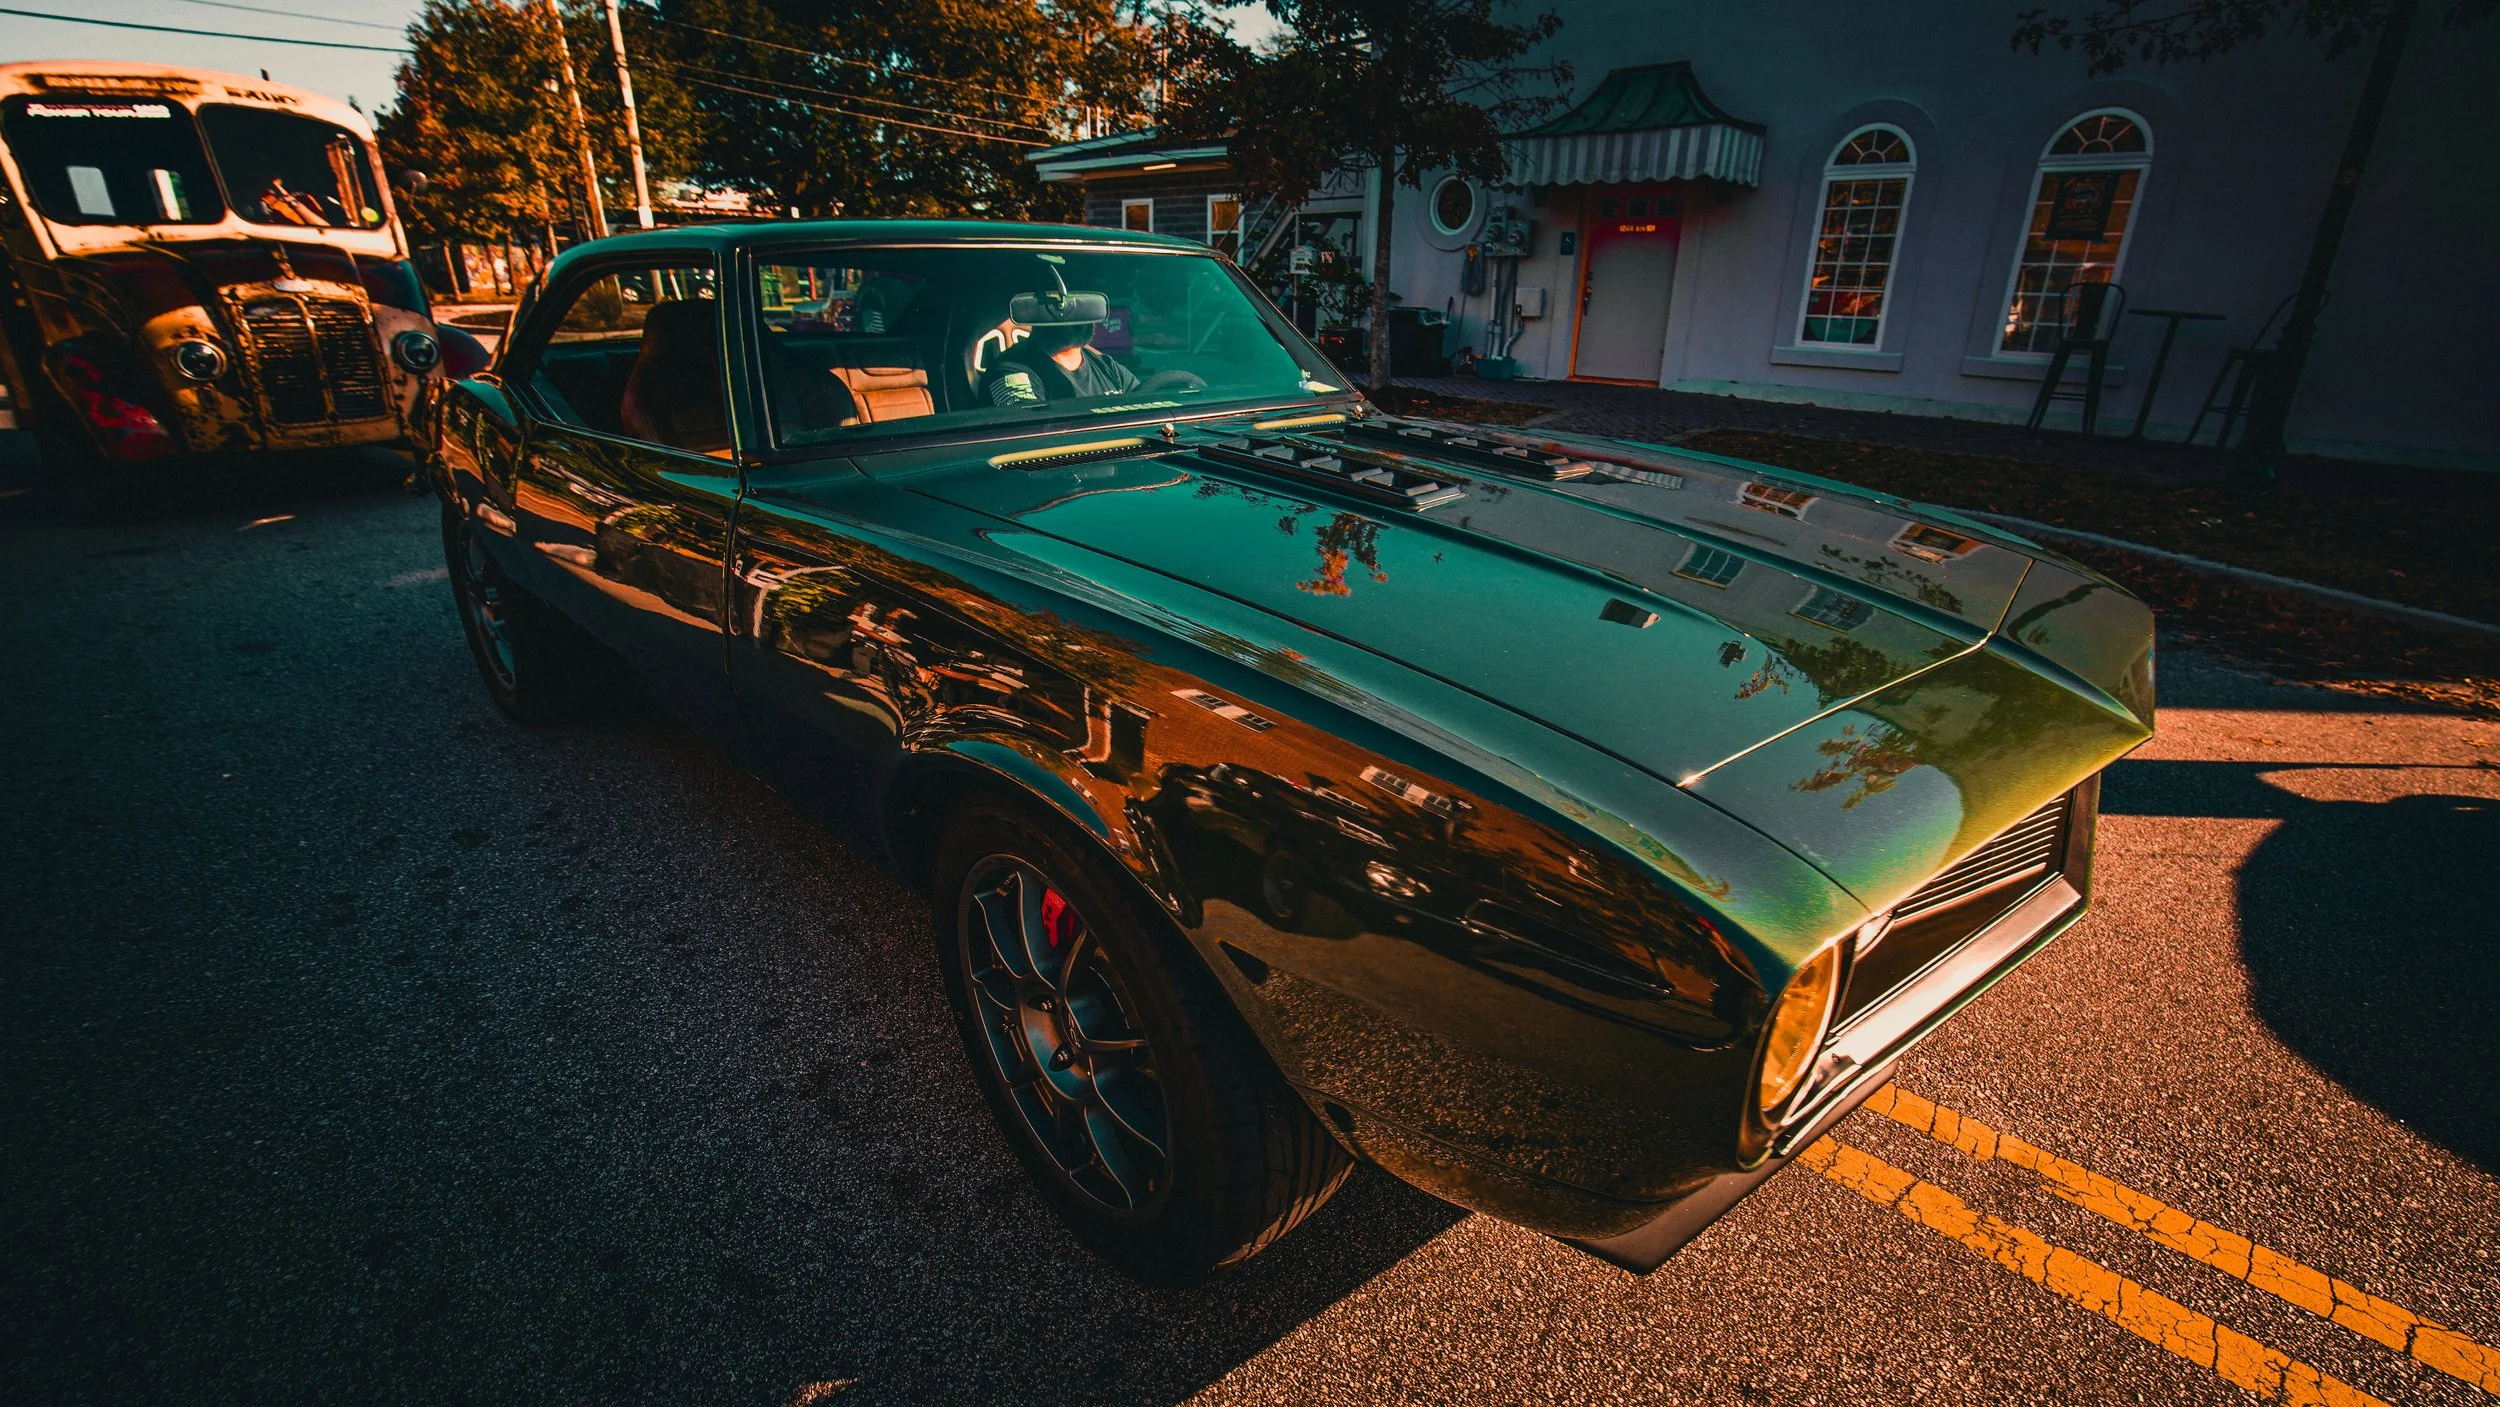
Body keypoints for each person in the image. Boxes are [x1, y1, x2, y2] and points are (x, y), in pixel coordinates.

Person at [979, 293, 1138, 407]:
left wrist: (1161, 380)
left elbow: (1143, 397)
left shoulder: (1106, 366)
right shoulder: (1010, 372)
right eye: (1062, 304)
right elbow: (1032, 433)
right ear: (1039, 311)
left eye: (1081, 302)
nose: (1074, 312)